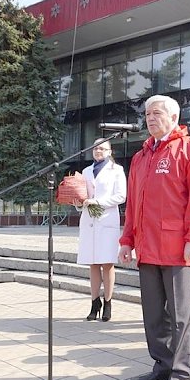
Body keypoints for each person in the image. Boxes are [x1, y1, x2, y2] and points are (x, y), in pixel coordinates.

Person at [118, 95, 190, 380]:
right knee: (153, 314)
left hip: (177, 249)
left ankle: (182, 374)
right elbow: (133, 204)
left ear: (174, 117)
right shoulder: (141, 156)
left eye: (157, 113)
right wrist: (126, 240)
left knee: (181, 316)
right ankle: (162, 363)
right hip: (147, 248)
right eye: (147, 113)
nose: (150, 117)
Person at [77, 138, 126, 322]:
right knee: (93, 263)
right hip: (89, 220)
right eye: (96, 148)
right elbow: (83, 196)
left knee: (107, 263)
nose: (99, 151)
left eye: (102, 148)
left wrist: (98, 202)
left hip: (107, 220)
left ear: (110, 151)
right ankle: (94, 302)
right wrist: (78, 202)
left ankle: (108, 302)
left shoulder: (117, 170)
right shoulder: (86, 171)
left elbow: (121, 195)